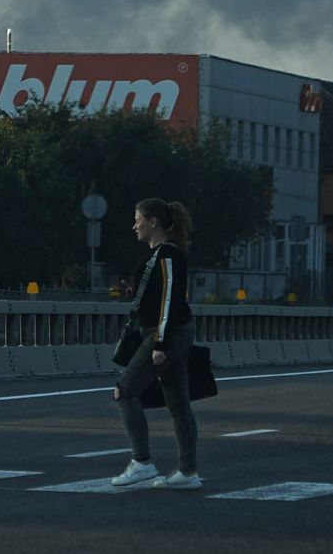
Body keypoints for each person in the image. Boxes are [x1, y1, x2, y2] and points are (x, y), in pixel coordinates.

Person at [109, 198, 200, 490]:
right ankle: (187, 473)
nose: (134, 225)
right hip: (168, 331)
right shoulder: (158, 255)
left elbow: (170, 300)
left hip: (167, 333)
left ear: (153, 221)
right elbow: (157, 294)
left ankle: (142, 463)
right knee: (177, 402)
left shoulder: (168, 255)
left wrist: (160, 343)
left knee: (125, 392)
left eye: (137, 219)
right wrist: (134, 292)